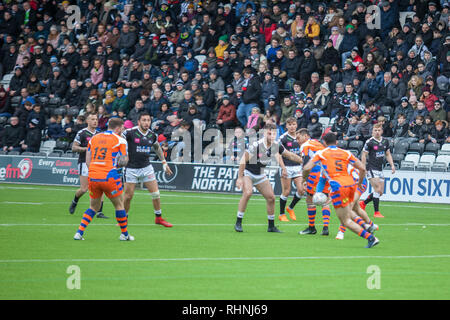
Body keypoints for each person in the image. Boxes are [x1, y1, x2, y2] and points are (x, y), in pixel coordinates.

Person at [302, 132, 379, 248]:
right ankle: (367, 226)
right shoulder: (346, 153)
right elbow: (363, 168)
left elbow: (307, 167)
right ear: (336, 142)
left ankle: (371, 238)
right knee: (350, 211)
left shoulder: (321, 153)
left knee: (345, 220)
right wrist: (358, 184)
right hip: (351, 185)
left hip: (339, 187)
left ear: (324, 142)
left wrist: (304, 179)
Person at [234, 123, 303, 233]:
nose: (272, 136)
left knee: (271, 198)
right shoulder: (256, 145)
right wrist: (239, 177)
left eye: (274, 133)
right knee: (248, 193)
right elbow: (243, 160)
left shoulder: (276, 145)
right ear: (264, 133)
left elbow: (289, 155)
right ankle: (238, 222)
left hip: (260, 174)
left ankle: (271, 226)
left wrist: (302, 160)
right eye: (269, 133)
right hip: (248, 172)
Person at [73, 118, 133, 241]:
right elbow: (124, 160)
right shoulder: (120, 140)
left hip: (93, 175)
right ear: (118, 128)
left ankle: (79, 233)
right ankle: (125, 235)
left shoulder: (94, 138)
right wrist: (120, 164)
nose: (122, 130)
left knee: (93, 207)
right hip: (109, 175)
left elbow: (88, 159)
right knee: (119, 205)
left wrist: (94, 171)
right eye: (122, 128)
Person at [122, 113, 173, 228]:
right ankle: (123, 219)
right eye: (144, 120)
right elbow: (118, 141)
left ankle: (158, 218)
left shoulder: (152, 135)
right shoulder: (129, 132)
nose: (146, 123)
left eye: (148, 120)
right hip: (131, 168)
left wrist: (164, 162)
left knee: (155, 194)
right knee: (128, 196)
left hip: (146, 168)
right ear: (139, 122)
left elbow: (157, 148)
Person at [69, 113, 107, 218]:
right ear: (87, 121)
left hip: (97, 163)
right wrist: (87, 149)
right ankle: (75, 200)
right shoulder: (82, 133)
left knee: (101, 186)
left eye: (96, 119)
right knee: (84, 189)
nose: (95, 121)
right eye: (93, 119)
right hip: (84, 162)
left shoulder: (100, 134)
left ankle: (99, 212)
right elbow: (74, 147)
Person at [296, 128, 332, 236]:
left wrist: (304, 180)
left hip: (314, 173)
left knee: (310, 199)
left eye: (299, 137)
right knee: (325, 199)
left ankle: (311, 227)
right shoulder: (317, 143)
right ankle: (326, 228)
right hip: (326, 173)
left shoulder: (305, 146)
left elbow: (307, 165)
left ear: (306, 136)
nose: (297, 140)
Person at [360, 124, 396, 218]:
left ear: (382, 131)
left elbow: (387, 154)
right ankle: (376, 213)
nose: (377, 132)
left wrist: (392, 165)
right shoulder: (369, 142)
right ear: (372, 131)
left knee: (380, 192)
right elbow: (364, 155)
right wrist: (363, 167)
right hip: (371, 169)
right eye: (375, 130)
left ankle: (363, 203)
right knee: (377, 190)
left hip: (380, 169)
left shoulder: (385, 141)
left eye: (378, 130)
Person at [335, 165, 379, 240]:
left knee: (349, 206)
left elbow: (359, 176)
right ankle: (371, 225)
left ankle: (341, 232)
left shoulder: (346, 167)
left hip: (359, 184)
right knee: (357, 209)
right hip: (351, 185)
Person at [277, 117, 303, 222]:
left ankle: (290, 208)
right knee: (286, 192)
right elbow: (278, 154)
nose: (292, 126)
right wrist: (283, 168)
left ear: (296, 125)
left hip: (297, 167)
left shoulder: (300, 137)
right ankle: (281, 214)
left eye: (293, 124)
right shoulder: (283, 138)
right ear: (286, 126)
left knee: (301, 190)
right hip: (286, 167)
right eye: (289, 124)